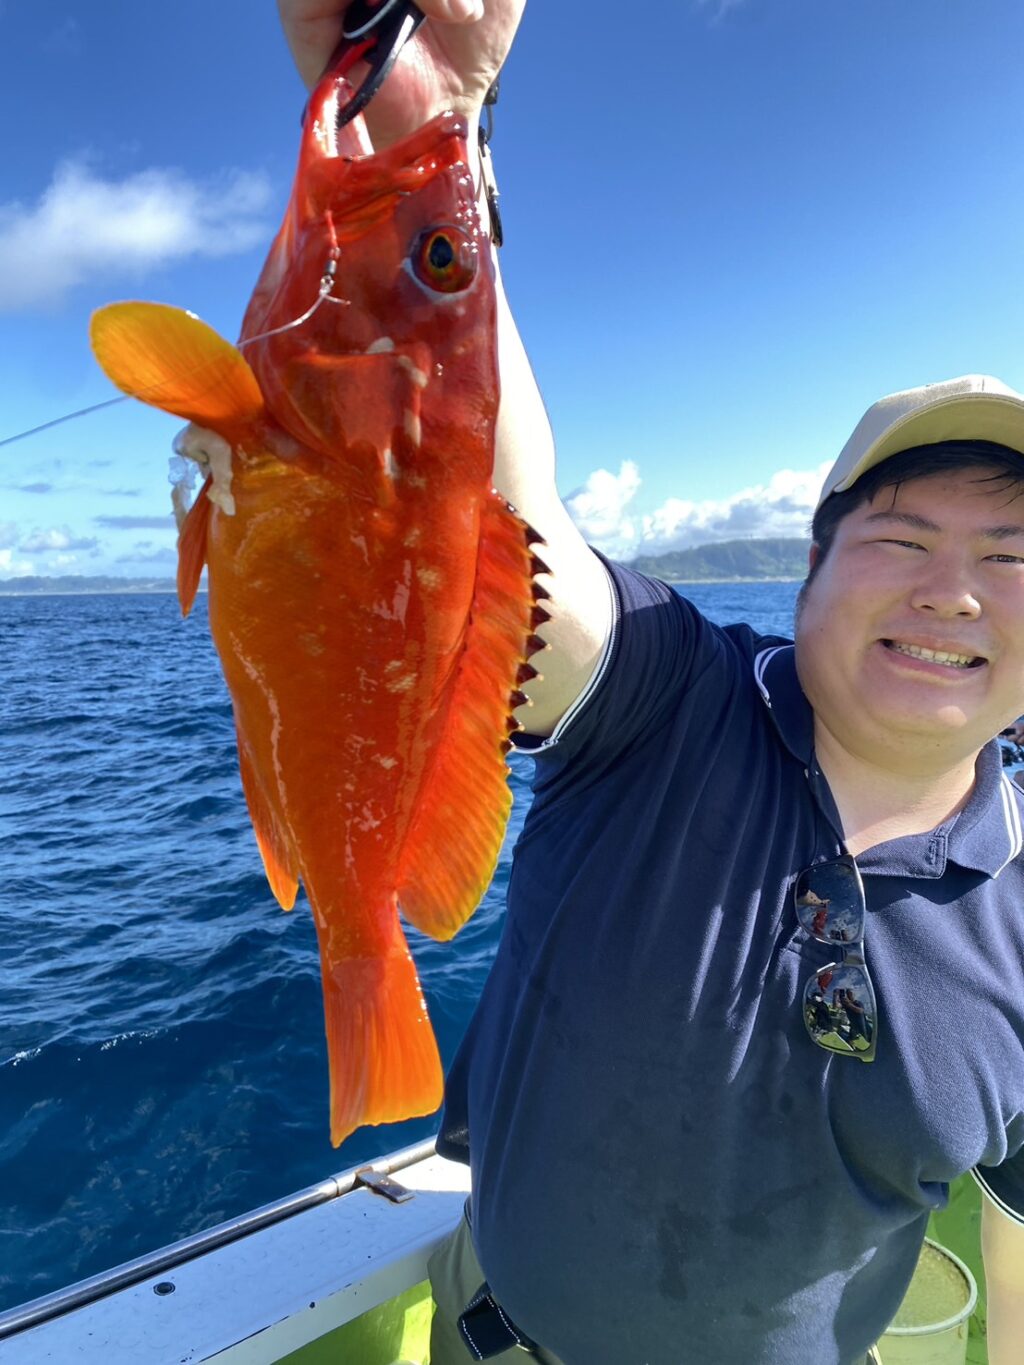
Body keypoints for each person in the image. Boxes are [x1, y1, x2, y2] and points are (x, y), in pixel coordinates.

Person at [276, 5, 1024, 1362]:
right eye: (903, 537)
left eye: (1011, 556)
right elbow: (499, 523)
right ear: (812, 566)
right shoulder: (669, 691)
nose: (955, 591)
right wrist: (426, 122)